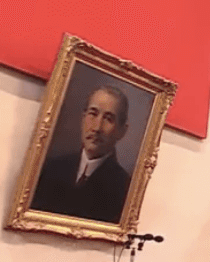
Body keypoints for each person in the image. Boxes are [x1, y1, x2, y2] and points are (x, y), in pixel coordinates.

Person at [29, 85, 134, 224]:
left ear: (122, 131)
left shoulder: (124, 188)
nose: (97, 127)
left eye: (108, 119)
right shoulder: (50, 168)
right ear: (83, 118)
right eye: (93, 114)